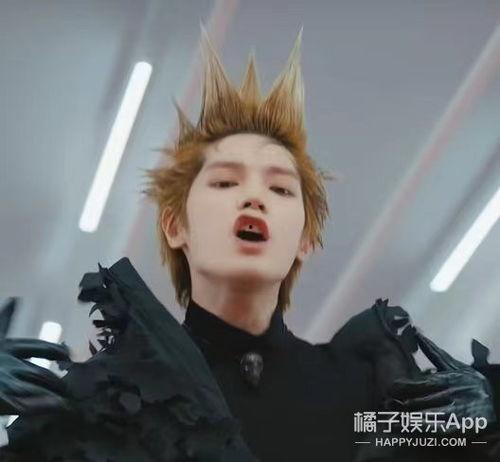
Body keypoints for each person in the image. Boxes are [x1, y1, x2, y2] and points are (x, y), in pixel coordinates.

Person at [0, 28, 499, 462]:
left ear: (304, 239)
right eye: (224, 182)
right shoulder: (108, 403)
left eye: (280, 189)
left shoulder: (365, 396)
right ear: (175, 226)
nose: (255, 197)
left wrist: (488, 422)